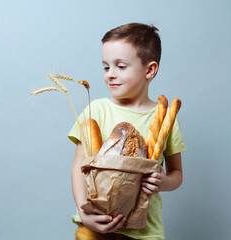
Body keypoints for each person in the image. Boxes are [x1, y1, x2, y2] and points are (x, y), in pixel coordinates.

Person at [68, 23, 187, 240]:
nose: (110, 75)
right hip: (94, 226)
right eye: (106, 67)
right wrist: (84, 215)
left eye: (120, 66)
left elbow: (177, 174)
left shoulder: (165, 121)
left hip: (144, 232)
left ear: (149, 70)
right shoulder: (96, 110)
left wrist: (165, 182)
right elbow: (78, 167)